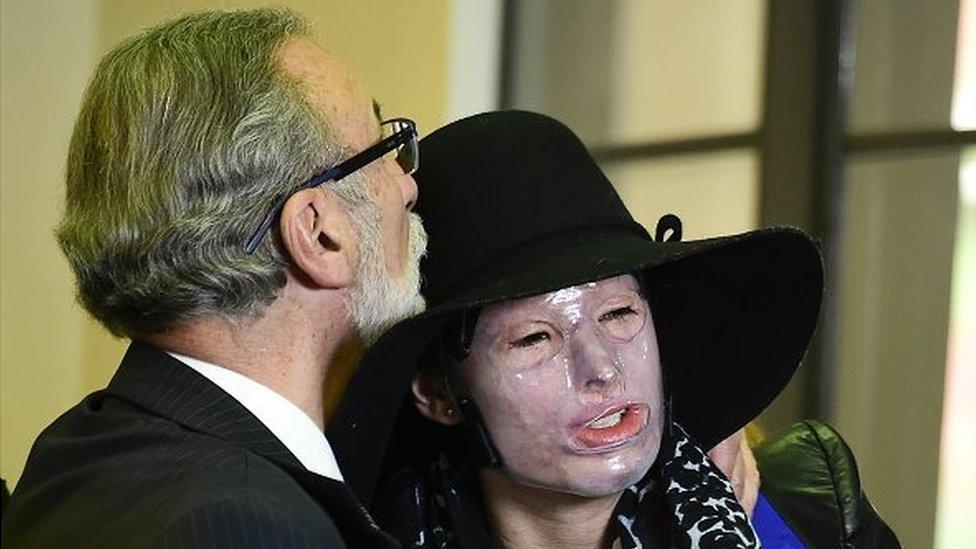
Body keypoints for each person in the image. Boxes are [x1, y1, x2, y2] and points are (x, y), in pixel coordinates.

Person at [329, 111, 898, 547]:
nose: (603, 369)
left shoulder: (805, 511)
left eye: (620, 314)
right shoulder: (344, 534)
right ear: (438, 393)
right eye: (535, 338)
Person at [3, 9, 425, 548]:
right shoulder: (246, 523)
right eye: (383, 153)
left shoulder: (78, 445)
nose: (408, 186)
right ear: (318, 236)